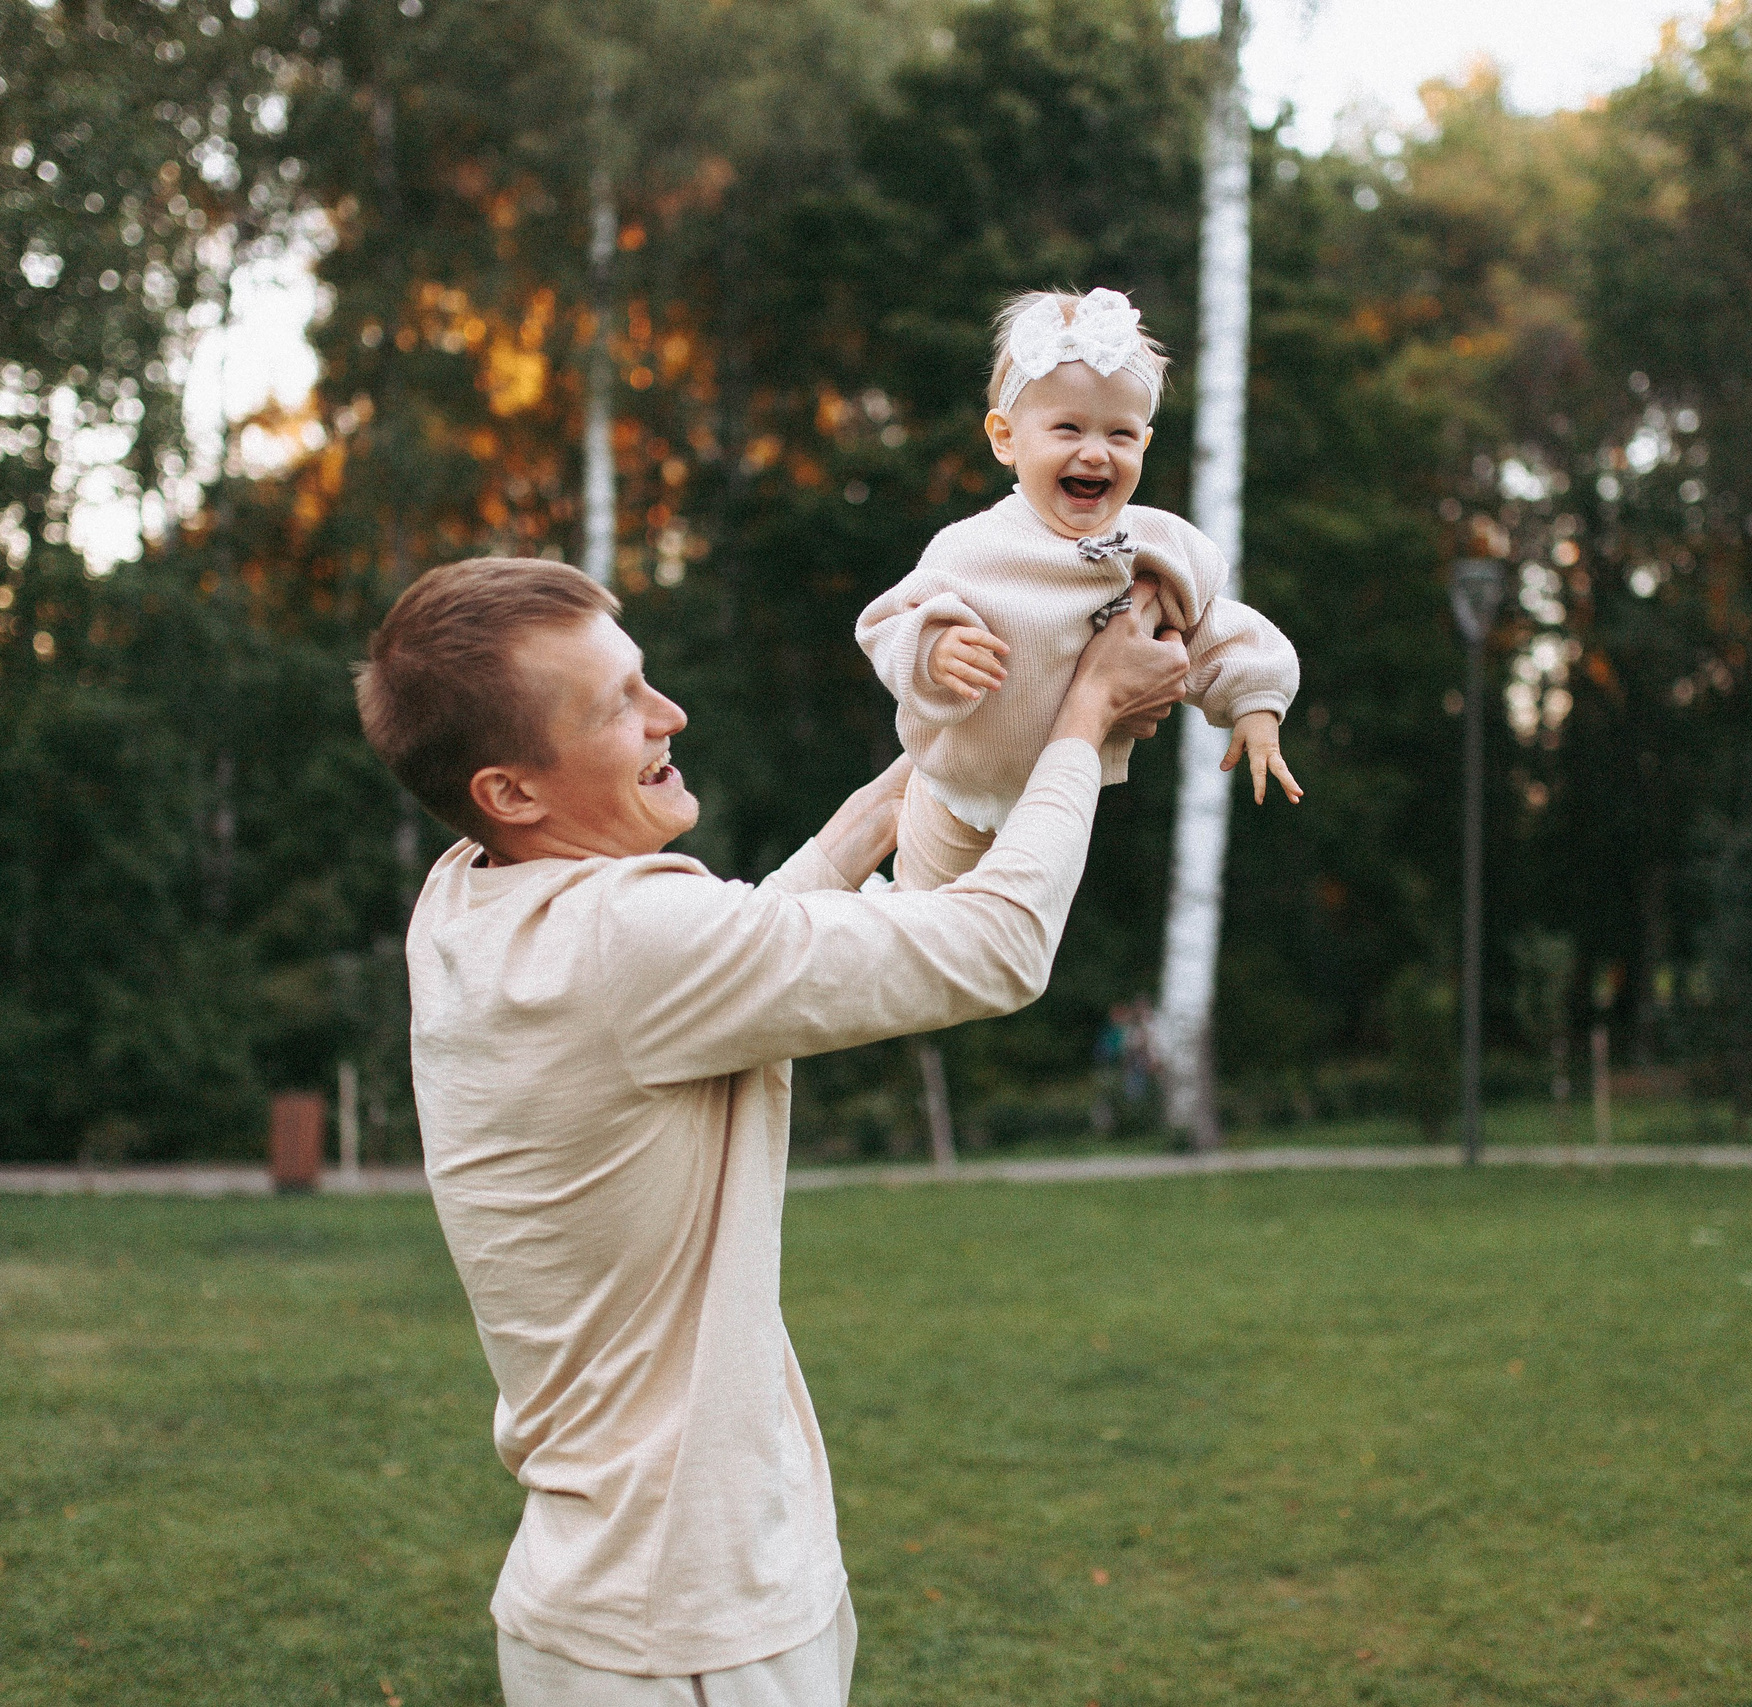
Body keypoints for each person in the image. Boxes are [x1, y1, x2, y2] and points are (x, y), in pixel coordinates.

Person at [353, 556, 1189, 1707]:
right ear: (511, 792)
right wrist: (1081, 721)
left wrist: (945, 757)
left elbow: (733, 951)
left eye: (644, 679)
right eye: (617, 707)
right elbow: (997, 947)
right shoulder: (622, 942)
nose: (668, 715)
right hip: (690, 1632)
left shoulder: (469, 899)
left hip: (624, 1609)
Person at [854, 288, 1303, 892]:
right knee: (923, 920)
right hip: (954, 794)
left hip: (1059, 799)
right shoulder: (976, 548)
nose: (1095, 453)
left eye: (1120, 434)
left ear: (1143, 444)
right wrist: (932, 650)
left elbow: (1213, 631)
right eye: (1067, 428)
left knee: (1015, 942)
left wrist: (1256, 704)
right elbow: (887, 622)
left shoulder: (1154, 547)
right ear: (1007, 437)